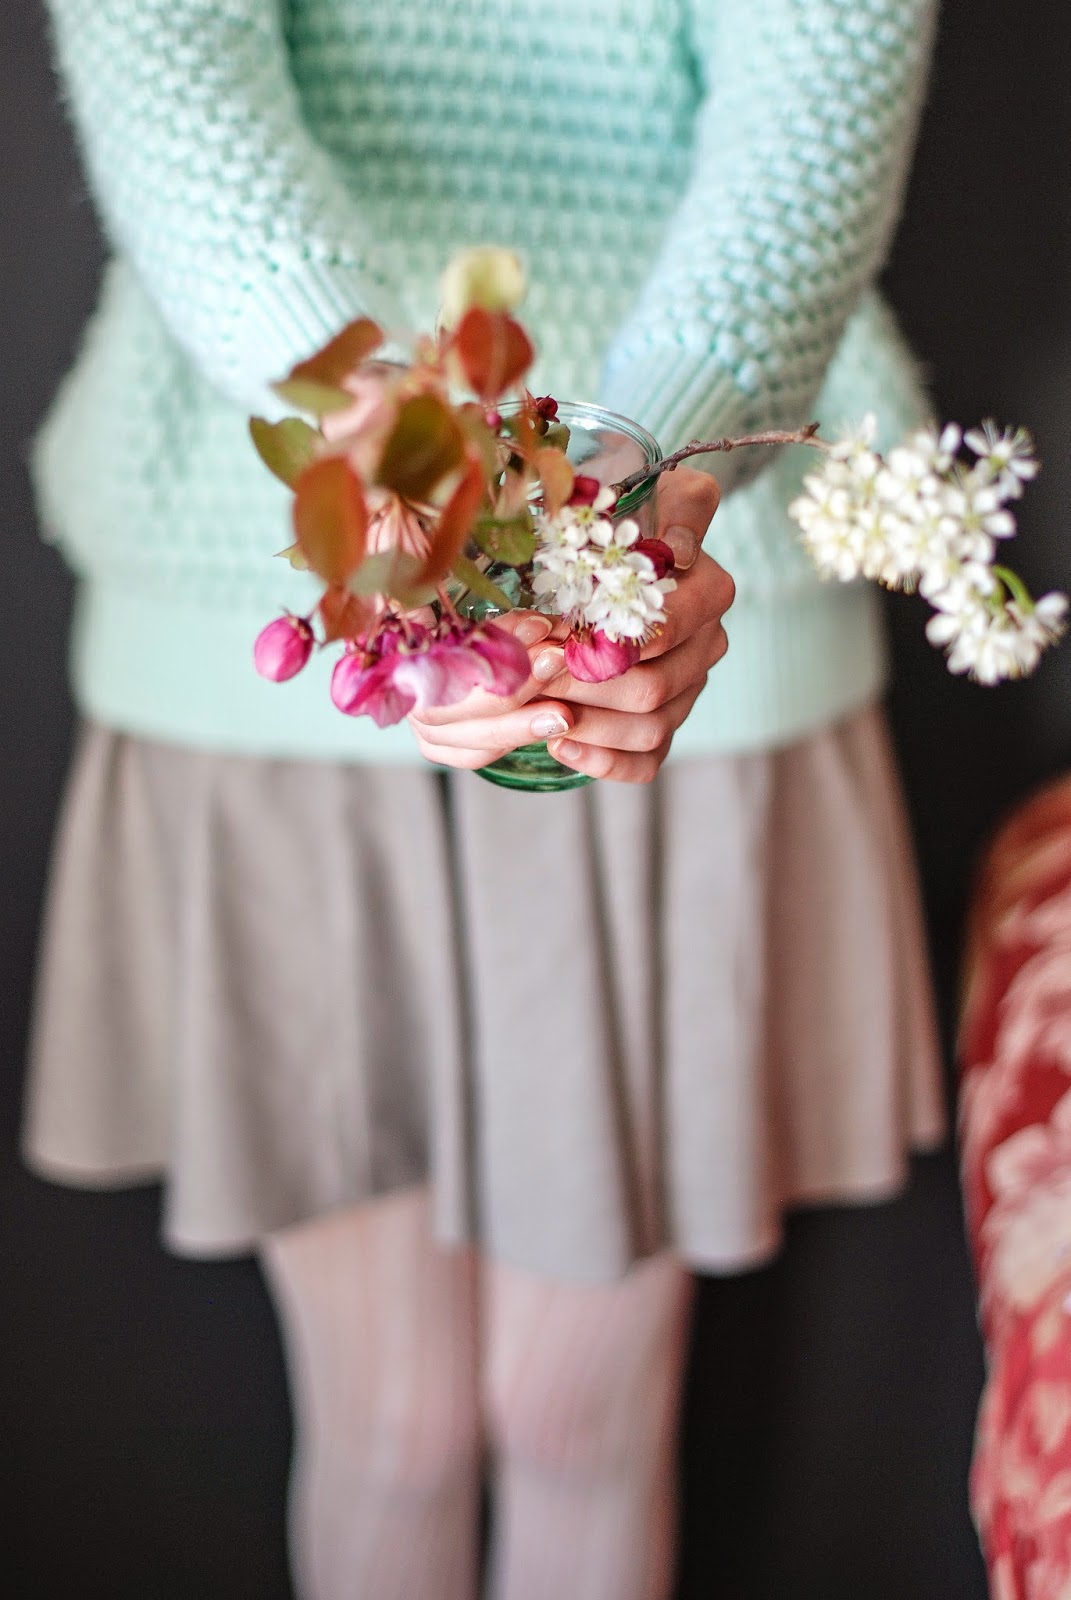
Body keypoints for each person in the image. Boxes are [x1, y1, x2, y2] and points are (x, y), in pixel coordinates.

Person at [24, 1, 946, 1596]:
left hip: (699, 637)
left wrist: (645, 491)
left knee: (585, 1418)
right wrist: (391, 434)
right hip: (263, 620)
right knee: (391, 1426)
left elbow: (813, 114)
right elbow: (169, 64)